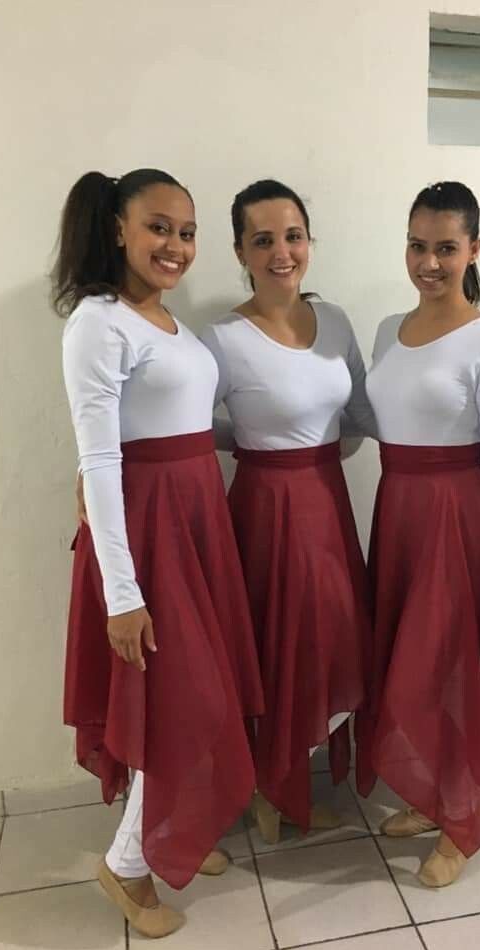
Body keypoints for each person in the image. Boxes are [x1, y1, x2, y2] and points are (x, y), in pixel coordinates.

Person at [54, 169, 263, 936]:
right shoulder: (97, 322)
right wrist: (122, 593)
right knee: (173, 701)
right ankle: (127, 866)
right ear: (118, 228)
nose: (175, 245)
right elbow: (101, 459)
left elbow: (184, 426)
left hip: (194, 526)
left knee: (194, 694)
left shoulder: (166, 324)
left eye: (186, 231)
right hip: (147, 541)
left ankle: (175, 822)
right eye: (158, 228)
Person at [356, 181, 480, 887]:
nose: (428, 262)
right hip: (397, 509)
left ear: (473, 250)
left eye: (445, 248)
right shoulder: (385, 331)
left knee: (452, 667)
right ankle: (432, 795)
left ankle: (465, 819)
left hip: (458, 519)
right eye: (417, 245)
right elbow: (370, 420)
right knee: (410, 663)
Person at [199, 179, 376, 843]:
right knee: (275, 648)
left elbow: (357, 414)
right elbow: (187, 429)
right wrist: (249, 441)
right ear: (241, 250)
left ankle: (286, 779)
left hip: (328, 502)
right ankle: (268, 792)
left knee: (329, 640)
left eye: (293, 235)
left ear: (309, 241)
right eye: (264, 239)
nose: (282, 251)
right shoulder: (221, 337)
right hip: (266, 512)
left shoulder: (335, 321)